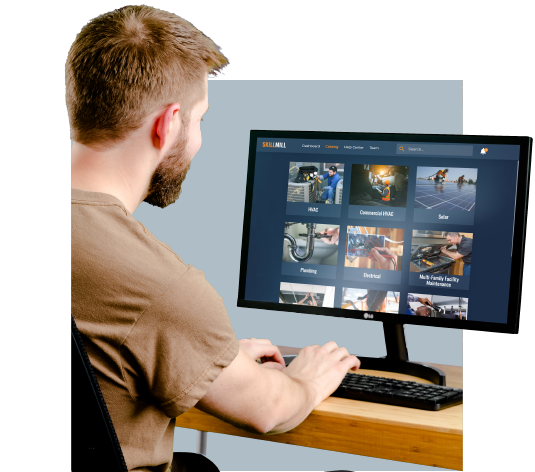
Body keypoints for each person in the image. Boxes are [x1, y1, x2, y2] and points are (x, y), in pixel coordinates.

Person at [69, 6, 360, 471]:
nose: (199, 138)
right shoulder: (159, 286)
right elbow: (267, 409)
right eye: (200, 120)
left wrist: (208, 356)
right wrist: (305, 379)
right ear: (168, 124)